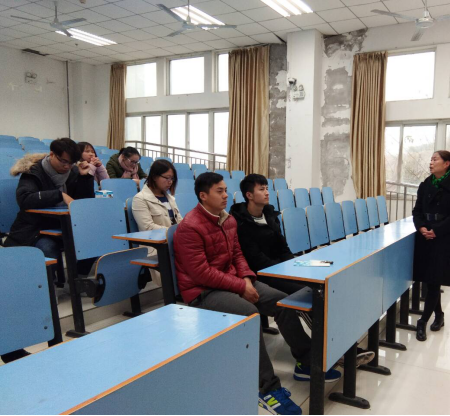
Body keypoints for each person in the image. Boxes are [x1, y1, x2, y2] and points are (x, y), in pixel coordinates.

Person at [173, 173, 341, 416]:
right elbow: (201, 273)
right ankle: (267, 388)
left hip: (233, 281)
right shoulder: (190, 227)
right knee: (250, 314)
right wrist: (240, 286)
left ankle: (306, 362)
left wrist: (245, 278)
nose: (226, 195)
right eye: (219, 191)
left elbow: (238, 255)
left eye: (225, 190)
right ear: (203, 195)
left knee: (284, 304)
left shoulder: (227, 220)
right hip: (203, 292)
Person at [230, 174, 375, 368]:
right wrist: (286, 271)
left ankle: (345, 346)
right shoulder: (240, 224)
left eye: (267, 188)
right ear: (249, 195)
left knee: (324, 287)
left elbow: (283, 248)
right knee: (310, 295)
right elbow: (256, 260)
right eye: (261, 189)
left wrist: (295, 266)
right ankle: (337, 352)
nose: (267, 192)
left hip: (282, 269)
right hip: (264, 274)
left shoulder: (270, 215)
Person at [2, 138, 95, 365]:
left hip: (60, 228)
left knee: (91, 242)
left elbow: (82, 201)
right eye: (63, 161)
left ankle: (77, 282)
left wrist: (85, 177)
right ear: (51, 154)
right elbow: (25, 200)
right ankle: (45, 295)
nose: (66, 166)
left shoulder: (72, 172)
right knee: (48, 250)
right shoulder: (33, 173)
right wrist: (58, 195)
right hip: (32, 231)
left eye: (70, 163)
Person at [413, 150, 450, 342]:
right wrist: (421, 227)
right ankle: (439, 315)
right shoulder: (425, 185)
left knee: (435, 279)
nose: (431, 162)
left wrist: (436, 230)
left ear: (446, 164)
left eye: (435, 159)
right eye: (431, 159)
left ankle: (422, 321)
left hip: (442, 236)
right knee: (430, 280)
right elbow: (417, 211)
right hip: (424, 236)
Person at [133, 160, 182, 286]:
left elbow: (179, 221)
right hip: (156, 246)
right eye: (167, 178)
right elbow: (148, 227)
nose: (170, 182)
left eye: (172, 179)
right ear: (154, 177)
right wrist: (174, 232)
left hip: (174, 241)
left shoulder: (170, 198)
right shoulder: (140, 199)